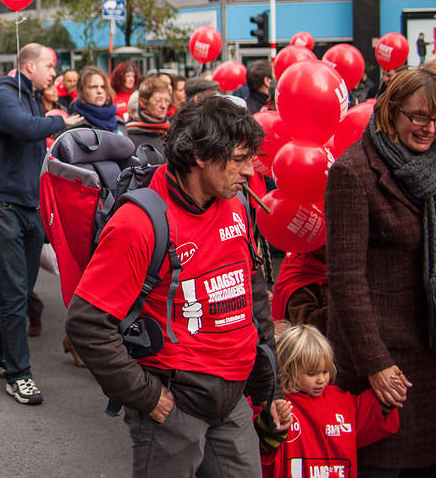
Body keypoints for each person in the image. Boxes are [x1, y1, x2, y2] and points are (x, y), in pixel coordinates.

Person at [65, 96, 284, 476]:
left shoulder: (236, 203)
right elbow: (86, 324)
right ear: (200, 155)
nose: (250, 171)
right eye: (238, 159)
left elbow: (254, 296)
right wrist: (147, 397)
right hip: (174, 406)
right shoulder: (139, 223)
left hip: (233, 400)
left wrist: (271, 390)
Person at [325, 67, 436, 474]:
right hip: (384, 361)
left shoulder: (432, 167)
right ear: (392, 111)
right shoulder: (353, 173)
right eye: (418, 116)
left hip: (429, 348)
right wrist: (375, 363)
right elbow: (344, 279)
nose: (428, 128)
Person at [0, 43, 84, 404]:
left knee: (20, 288)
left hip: (28, 204)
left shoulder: (32, 97)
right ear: (29, 65)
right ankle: (18, 375)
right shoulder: (3, 96)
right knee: (13, 289)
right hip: (2, 204)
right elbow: (24, 129)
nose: (54, 72)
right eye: (50, 66)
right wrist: (60, 121)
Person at [256, 324, 398, 478]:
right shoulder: (273, 401)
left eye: (325, 371)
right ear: (288, 369)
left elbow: (365, 414)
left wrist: (391, 391)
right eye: (312, 374)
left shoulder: (339, 400)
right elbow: (259, 449)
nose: (321, 380)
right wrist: (272, 422)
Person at [125, 76, 172, 152]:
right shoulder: (129, 136)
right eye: (157, 100)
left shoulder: (173, 132)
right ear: (142, 102)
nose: (163, 105)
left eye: (167, 100)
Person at [69, 66, 119, 133]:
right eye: (93, 87)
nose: (99, 91)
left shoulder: (119, 122)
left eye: (103, 87)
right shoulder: (74, 126)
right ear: (82, 90)